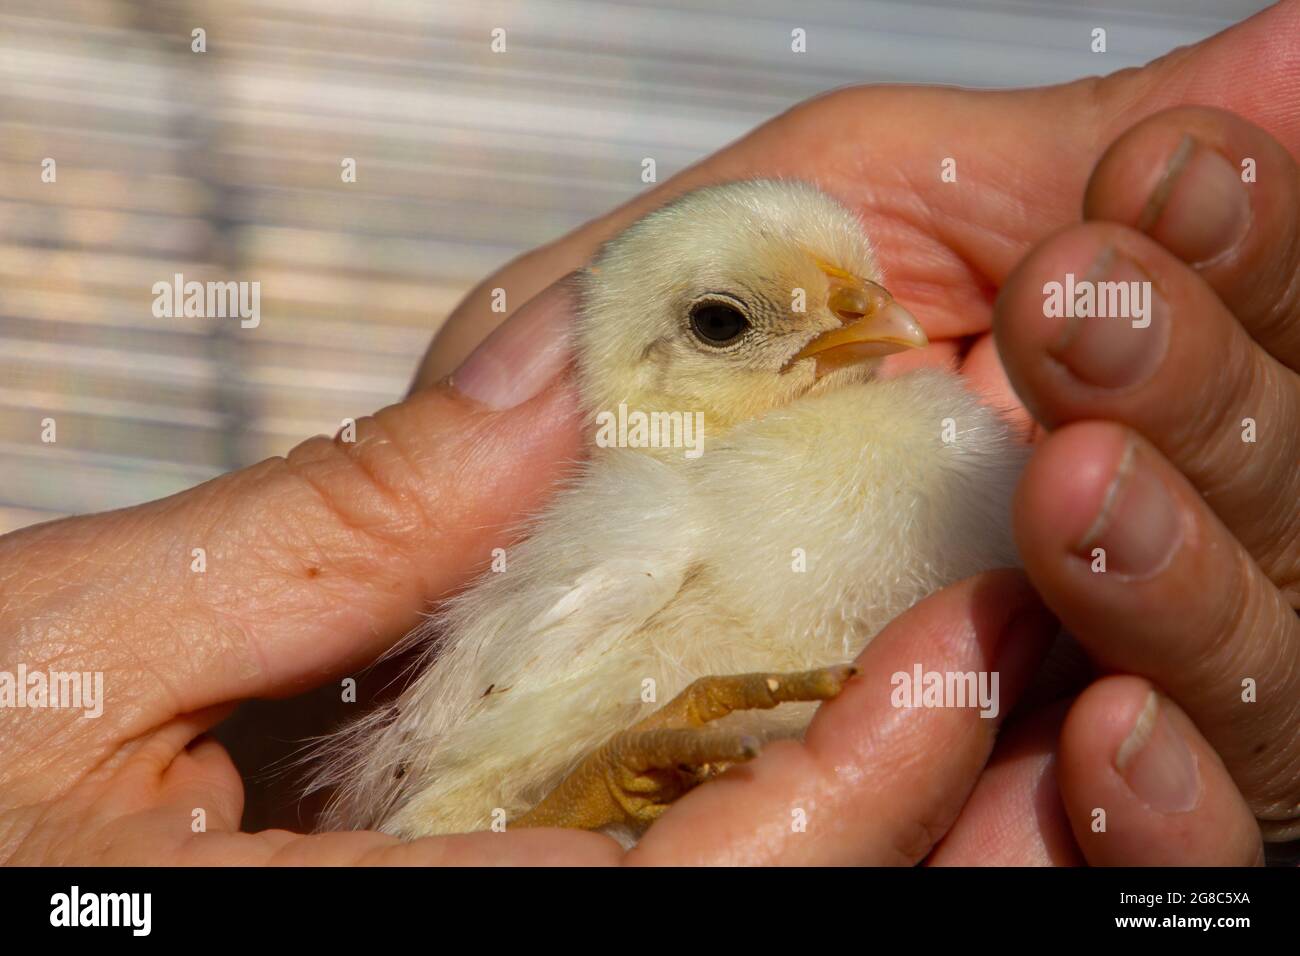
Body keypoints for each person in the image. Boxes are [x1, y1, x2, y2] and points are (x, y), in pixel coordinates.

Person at [1, 2, 1296, 866]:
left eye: (852, 285)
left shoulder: (960, 451)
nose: (863, 319)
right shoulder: (644, 512)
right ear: (642, 361)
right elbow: (432, 808)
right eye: (737, 321)